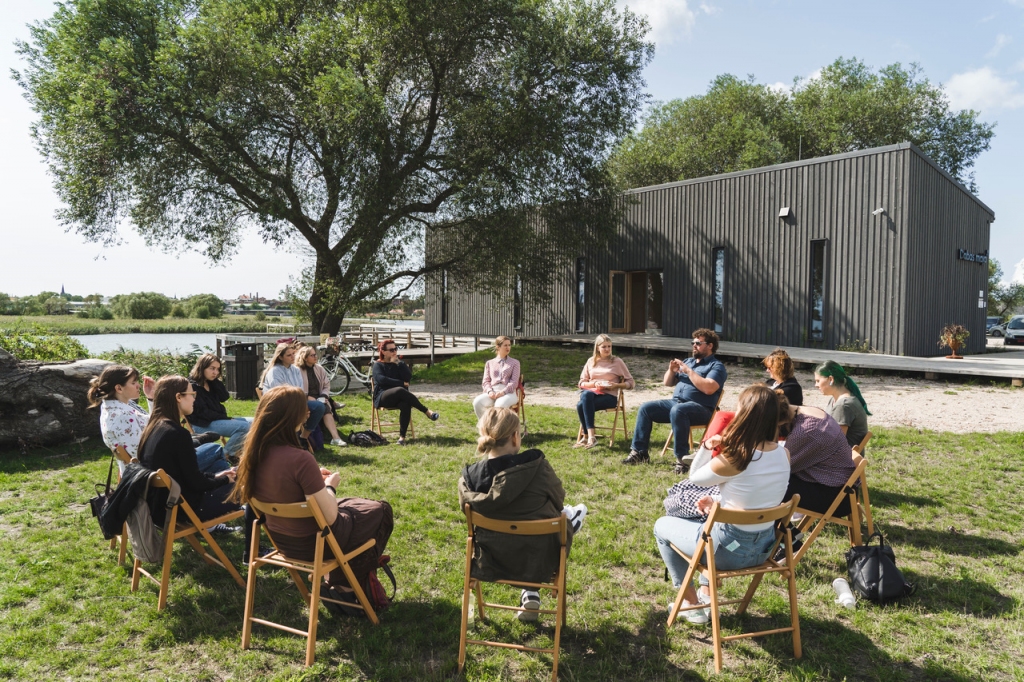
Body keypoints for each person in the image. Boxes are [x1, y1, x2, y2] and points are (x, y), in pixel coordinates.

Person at [229, 386, 393, 613]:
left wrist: (313, 476)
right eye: (303, 409)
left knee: (358, 505)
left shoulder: (252, 455)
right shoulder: (299, 458)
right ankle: (344, 584)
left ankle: (342, 583)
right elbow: (330, 516)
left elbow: (284, 486)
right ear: (290, 416)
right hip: (316, 544)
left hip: (285, 543)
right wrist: (329, 486)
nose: (308, 413)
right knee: (380, 510)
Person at [653, 384, 791, 623]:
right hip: (764, 550)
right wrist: (718, 500)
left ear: (746, 414)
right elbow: (759, 495)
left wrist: (708, 446)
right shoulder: (783, 453)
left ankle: (692, 603)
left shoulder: (738, 456)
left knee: (662, 525)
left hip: (726, 552)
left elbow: (695, 476)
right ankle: (707, 595)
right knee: (708, 522)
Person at [458, 408, 587, 621]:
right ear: (515, 437)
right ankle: (572, 521)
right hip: (541, 556)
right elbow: (557, 500)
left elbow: (467, 510)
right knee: (561, 516)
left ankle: (528, 592)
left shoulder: (468, 481)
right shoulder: (537, 468)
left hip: (491, 557)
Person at [137, 375, 253, 540]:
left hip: (161, 508)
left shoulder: (153, 428)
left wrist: (218, 476)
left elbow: (189, 476)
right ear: (178, 397)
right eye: (192, 395)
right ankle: (254, 548)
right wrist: (224, 480)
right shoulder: (178, 435)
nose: (194, 399)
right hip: (185, 511)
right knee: (249, 485)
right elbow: (196, 483)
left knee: (226, 471)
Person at [89, 364, 229, 475]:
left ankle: (218, 498)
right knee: (215, 450)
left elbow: (152, 424)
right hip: (155, 473)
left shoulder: (118, 407)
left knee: (217, 464)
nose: (138, 385)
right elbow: (142, 453)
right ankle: (223, 499)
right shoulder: (121, 416)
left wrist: (151, 398)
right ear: (119, 388)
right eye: (133, 382)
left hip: (151, 469)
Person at [624, 328, 727, 474]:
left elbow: (709, 389)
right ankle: (639, 453)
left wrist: (689, 371)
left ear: (710, 346)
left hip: (702, 409)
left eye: (698, 343)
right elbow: (668, 383)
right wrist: (671, 370)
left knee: (678, 410)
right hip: (677, 404)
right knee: (646, 408)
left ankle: (682, 460)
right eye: (693, 342)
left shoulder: (716, 366)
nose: (694, 345)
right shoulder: (689, 361)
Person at [776, 392, 856, 516]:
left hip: (836, 497)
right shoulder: (808, 411)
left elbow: (779, 468)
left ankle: (780, 532)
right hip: (842, 488)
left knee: (768, 484)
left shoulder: (805, 431)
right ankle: (785, 530)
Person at [371, 339, 439, 445]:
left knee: (405, 404)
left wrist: (399, 363)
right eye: (391, 350)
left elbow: (408, 377)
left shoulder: (399, 364)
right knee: (400, 389)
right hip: (383, 396)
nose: (394, 352)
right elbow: (381, 380)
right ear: (383, 352)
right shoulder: (378, 365)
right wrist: (401, 383)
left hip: (399, 397)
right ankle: (426, 411)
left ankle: (402, 438)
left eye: (395, 349)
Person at [575, 334, 635, 449]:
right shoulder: (591, 361)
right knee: (583, 400)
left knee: (581, 403)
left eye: (609, 346)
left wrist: (616, 385)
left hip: (609, 397)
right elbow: (581, 383)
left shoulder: (617, 362)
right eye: (604, 347)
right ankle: (589, 437)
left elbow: (631, 382)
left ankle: (588, 437)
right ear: (597, 348)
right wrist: (594, 384)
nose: (607, 349)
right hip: (593, 394)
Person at [187, 353, 252, 458]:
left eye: (218, 369)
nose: (215, 372)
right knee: (245, 427)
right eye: (212, 368)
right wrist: (226, 418)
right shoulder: (192, 386)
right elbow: (203, 413)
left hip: (217, 420)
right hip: (202, 425)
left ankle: (243, 452)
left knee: (256, 422)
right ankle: (224, 454)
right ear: (202, 367)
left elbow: (224, 397)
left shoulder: (211, 382)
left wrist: (216, 381)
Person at [260, 343, 327, 443]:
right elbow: (279, 395)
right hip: (278, 405)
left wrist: (303, 406)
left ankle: (303, 437)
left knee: (319, 407)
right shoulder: (275, 371)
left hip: (295, 402)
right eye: (289, 355)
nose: (292, 357)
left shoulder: (295, 369)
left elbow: (301, 391)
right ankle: (291, 440)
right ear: (280, 357)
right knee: (295, 411)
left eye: (293, 354)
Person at [295, 346, 347, 447]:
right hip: (303, 398)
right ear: (305, 357)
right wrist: (307, 397)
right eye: (312, 355)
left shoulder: (319, 368)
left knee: (326, 408)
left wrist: (323, 396)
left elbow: (326, 385)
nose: (316, 357)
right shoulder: (297, 370)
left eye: (316, 354)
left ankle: (335, 438)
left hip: (320, 397)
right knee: (322, 407)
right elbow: (296, 388)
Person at [814, 360, 870, 448]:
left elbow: (835, 442)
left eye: (818, 381)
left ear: (831, 379)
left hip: (842, 460)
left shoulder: (843, 405)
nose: (816, 385)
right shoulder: (835, 399)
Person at [472, 336, 521, 419]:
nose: (508, 347)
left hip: (508, 392)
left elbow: (514, 382)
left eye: (509, 345)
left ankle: (498, 430)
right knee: (477, 402)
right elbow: (486, 381)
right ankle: (485, 426)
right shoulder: (489, 363)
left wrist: (502, 392)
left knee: (499, 405)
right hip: (493, 391)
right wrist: (490, 392)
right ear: (498, 347)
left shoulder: (515, 363)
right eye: (505, 345)